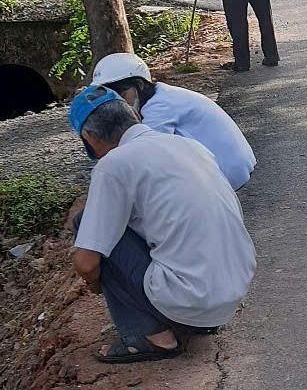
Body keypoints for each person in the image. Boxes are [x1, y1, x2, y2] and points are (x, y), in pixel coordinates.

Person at [68, 85, 256, 364]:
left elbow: (86, 263)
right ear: (132, 113)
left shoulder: (113, 165)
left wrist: (103, 283)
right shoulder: (188, 145)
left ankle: (151, 336)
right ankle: (193, 320)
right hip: (233, 290)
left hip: (192, 299)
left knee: (89, 226)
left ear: (89, 137)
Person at [91, 53, 256, 190]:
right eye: (111, 96)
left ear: (139, 85)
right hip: (231, 163)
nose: (118, 101)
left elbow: (145, 157)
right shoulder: (162, 95)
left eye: (121, 93)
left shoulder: (159, 108)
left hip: (228, 171)